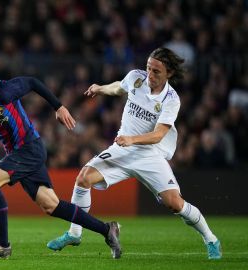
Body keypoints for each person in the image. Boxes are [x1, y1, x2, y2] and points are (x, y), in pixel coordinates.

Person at [47, 47, 222, 260]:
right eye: (149, 68)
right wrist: (100, 88)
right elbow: (118, 88)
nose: (150, 74)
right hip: (121, 150)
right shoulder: (136, 78)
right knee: (83, 178)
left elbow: (158, 135)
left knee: (174, 203)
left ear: (169, 73)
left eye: (156, 71)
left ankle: (211, 239)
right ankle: (74, 234)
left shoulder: (171, 100)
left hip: (149, 154)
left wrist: (132, 139)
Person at [0, 57, 122, 259]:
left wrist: (58, 106)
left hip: (29, 148)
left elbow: (32, 82)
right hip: (18, 153)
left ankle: (1, 244)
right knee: (51, 204)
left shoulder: (1, 90)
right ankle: (107, 229)